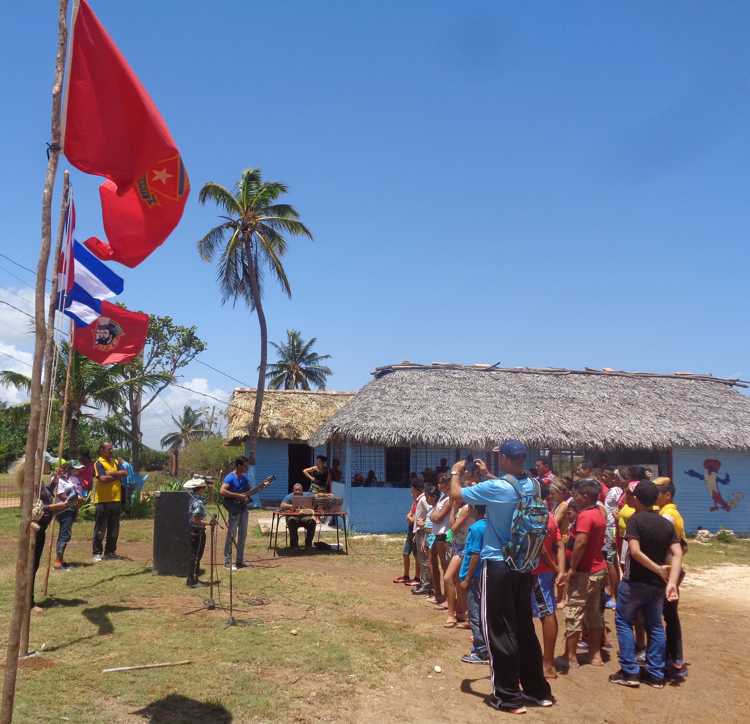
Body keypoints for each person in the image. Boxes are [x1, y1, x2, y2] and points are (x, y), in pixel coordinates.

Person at [450, 440, 554, 714]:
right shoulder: (533, 484)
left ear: (506, 458)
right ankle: (537, 691)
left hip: (497, 565)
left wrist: (455, 472)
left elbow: (457, 494)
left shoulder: (497, 489)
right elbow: (511, 489)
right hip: (523, 564)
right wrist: (487, 475)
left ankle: (507, 697)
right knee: (524, 628)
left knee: (498, 629)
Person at [610, 480, 683, 688]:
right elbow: (677, 553)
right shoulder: (666, 523)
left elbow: (634, 551)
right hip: (657, 586)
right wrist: (671, 581)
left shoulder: (635, 520)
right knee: (655, 626)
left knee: (624, 623)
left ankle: (630, 672)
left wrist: (658, 569)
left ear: (637, 499)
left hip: (634, 583)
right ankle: (656, 673)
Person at [562, 479, 607, 669]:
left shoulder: (586, 516)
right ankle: (595, 655)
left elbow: (580, 543)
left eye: (578, 495)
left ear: (586, 496)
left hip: (584, 571)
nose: (575, 498)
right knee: (593, 613)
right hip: (597, 569)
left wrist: (572, 568)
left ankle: (570, 656)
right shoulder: (599, 513)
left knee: (574, 611)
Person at [654, 476, 688, 682]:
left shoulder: (668, 516)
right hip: (670, 570)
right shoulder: (669, 512)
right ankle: (674, 658)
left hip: (667, 571)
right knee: (669, 614)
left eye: (658, 492)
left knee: (665, 614)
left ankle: (673, 659)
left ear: (667, 495)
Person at [532, 511, 565, 679]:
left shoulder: (533, 514)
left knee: (547, 614)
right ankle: (547, 661)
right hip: (544, 572)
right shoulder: (550, 515)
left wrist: (556, 568)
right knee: (548, 612)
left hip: (536, 573)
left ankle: (548, 664)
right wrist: (560, 569)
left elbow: (541, 549)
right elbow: (559, 544)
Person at [459, 505, 489, 665]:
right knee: (482, 612)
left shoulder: (477, 528)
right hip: (483, 575)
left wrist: (467, 578)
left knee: (475, 614)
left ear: (475, 510)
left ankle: (481, 651)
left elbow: (475, 555)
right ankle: (485, 645)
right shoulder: (489, 525)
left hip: (475, 577)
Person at [92, 442, 128, 562]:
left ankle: (110, 552)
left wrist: (111, 473)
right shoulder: (98, 463)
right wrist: (117, 475)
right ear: (102, 450)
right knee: (101, 528)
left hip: (116, 499)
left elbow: (125, 473)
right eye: (109, 449)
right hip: (103, 500)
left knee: (114, 529)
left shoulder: (116, 462)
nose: (112, 451)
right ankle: (97, 552)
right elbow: (102, 479)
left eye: (112, 449)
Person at [220, 457, 252, 570]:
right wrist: (238, 496)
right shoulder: (230, 477)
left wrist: (247, 498)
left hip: (243, 509)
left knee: (242, 535)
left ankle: (240, 560)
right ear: (239, 466)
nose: (247, 467)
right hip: (234, 510)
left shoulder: (244, 478)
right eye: (245, 465)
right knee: (231, 535)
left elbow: (248, 493)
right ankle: (227, 562)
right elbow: (222, 491)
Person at [52, 460, 82, 570]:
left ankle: (60, 559)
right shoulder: (60, 480)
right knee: (65, 534)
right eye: (76, 468)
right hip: (64, 510)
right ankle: (58, 562)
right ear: (69, 469)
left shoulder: (68, 480)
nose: (79, 470)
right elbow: (61, 495)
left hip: (70, 509)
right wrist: (73, 501)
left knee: (65, 534)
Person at [394, 479, 422, 584]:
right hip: (411, 529)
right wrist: (410, 517)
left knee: (416, 554)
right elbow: (410, 514)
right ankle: (406, 575)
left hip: (416, 530)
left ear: (416, 489)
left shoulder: (422, 500)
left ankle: (417, 578)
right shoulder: (415, 501)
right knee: (405, 553)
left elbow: (416, 517)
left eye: (412, 490)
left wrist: (411, 518)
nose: (411, 492)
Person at [184, 478, 209, 588]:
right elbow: (195, 519)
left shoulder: (193, 498)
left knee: (194, 556)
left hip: (192, 531)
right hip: (197, 531)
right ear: (200, 489)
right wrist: (208, 523)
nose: (205, 490)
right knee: (196, 556)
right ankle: (192, 581)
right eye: (204, 488)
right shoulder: (198, 502)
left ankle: (193, 579)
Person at [411, 483, 434, 596]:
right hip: (420, 531)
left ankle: (427, 584)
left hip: (424, 531)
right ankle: (424, 581)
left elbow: (430, 511)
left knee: (424, 559)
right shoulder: (420, 499)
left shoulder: (424, 499)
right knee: (421, 559)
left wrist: (423, 524)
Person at [280, 483, 317, 549]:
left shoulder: (308, 495)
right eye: (296, 490)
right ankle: (294, 545)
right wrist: (292, 506)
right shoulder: (289, 496)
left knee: (312, 521)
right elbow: (282, 505)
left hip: (305, 517)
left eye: (299, 490)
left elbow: (316, 499)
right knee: (291, 520)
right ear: (293, 490)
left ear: (302, 490)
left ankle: (308, 544)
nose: (298, 491)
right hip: (294, 517)